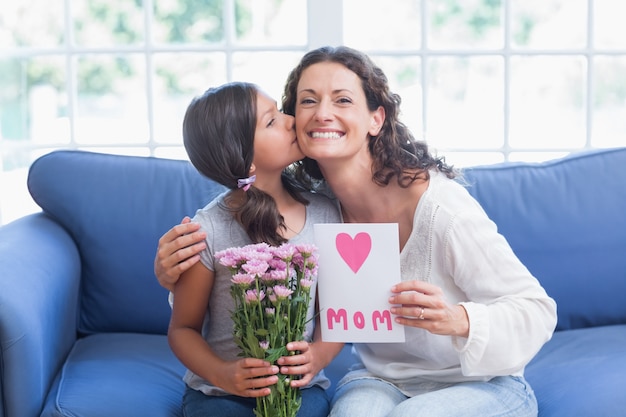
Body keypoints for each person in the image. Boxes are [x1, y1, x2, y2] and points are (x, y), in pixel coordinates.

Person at [157, 46, 557, 417]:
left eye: (343, 99)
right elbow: (229, 284)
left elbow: (537, 310)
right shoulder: (322, 207)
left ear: (375, 118)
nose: (320, 113)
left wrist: (458, 319)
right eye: (307, 100)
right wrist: (171, 275)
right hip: (382, 380)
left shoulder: (441, 208)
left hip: (480, 382)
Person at [166, 81, 343, 417]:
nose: (290, 119)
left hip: (297, 392)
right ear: (244, 159)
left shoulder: (326, 214)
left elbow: (334, 314)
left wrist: (318, 356)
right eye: (272, 121)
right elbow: (182, 329)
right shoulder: (208, 230)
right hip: (219, 395)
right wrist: (223, 375)